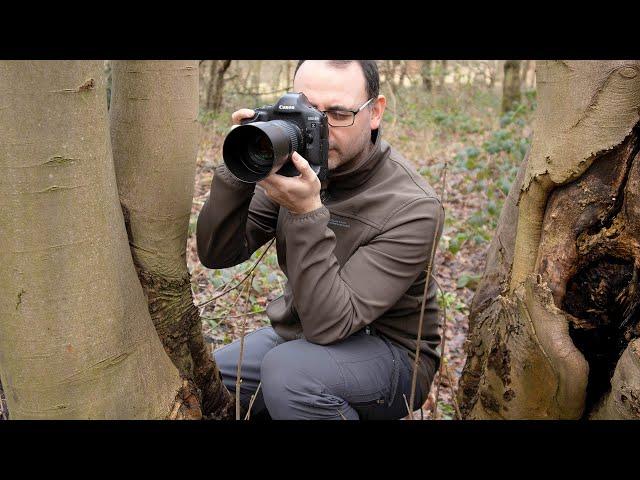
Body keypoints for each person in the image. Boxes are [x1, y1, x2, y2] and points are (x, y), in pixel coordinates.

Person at [196, 60, 444, 420]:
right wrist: (241, 169)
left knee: (291, 374)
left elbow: (332, 324)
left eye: (339, 113)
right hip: (299, 337)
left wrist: (306, 211)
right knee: (208, 375)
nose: (320, 128)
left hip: (391, 353)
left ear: (374, 112)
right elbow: (217, 253)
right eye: (308, 109)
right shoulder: (295, 168)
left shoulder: (412, 207)